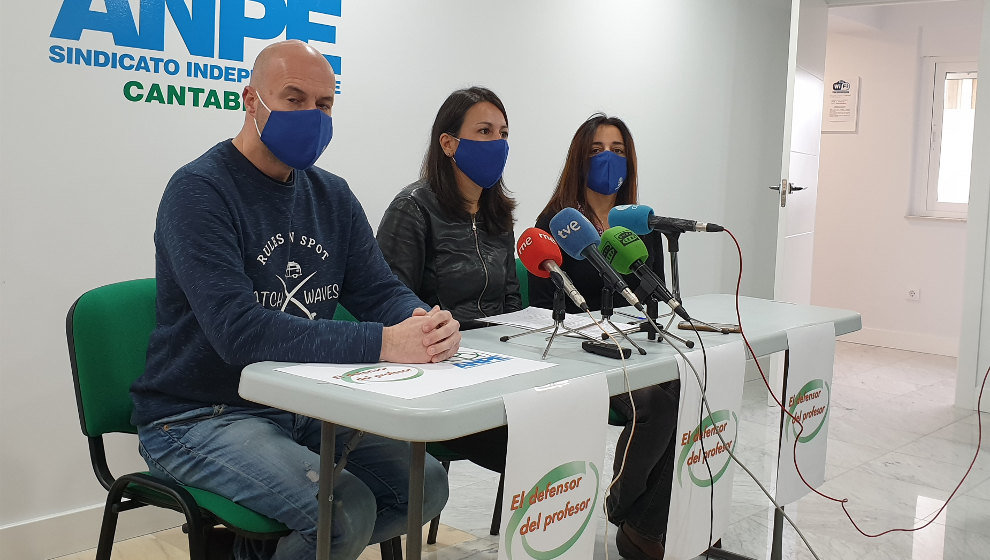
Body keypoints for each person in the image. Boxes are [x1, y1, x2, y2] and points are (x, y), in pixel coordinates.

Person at [130, 40, 456, 560]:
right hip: (198, 416)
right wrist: (385, 342)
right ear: (250, 100)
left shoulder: (331, 194)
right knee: (340, 512)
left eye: (324, 104)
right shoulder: (198, 191)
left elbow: (377, 289)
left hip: (301, 405)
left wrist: (423, 323)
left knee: (426, 487)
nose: (313, 115)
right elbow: (239, 332)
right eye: (294, 98)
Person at [530, 114, 678, 560]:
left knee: (688, 385)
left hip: (631, 347)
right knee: (654, 403)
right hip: (578, 356)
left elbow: (650, 299)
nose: (608, 158)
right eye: (596, 150)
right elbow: (540, 311)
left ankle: (643, 526)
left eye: (617, 149)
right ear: (579, 159)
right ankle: (629, 512)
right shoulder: (557, 223)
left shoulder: (639, 225)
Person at [376, 86, 520, 472]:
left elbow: (511, 302)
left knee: (566, 412)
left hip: (500, 366)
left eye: (503, 134)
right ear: (449, 143)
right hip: (441, 372)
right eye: (485, 131)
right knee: (538, 433)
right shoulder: (413, 208)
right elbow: (389, 302)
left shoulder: (498, 215)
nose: (497, 143)